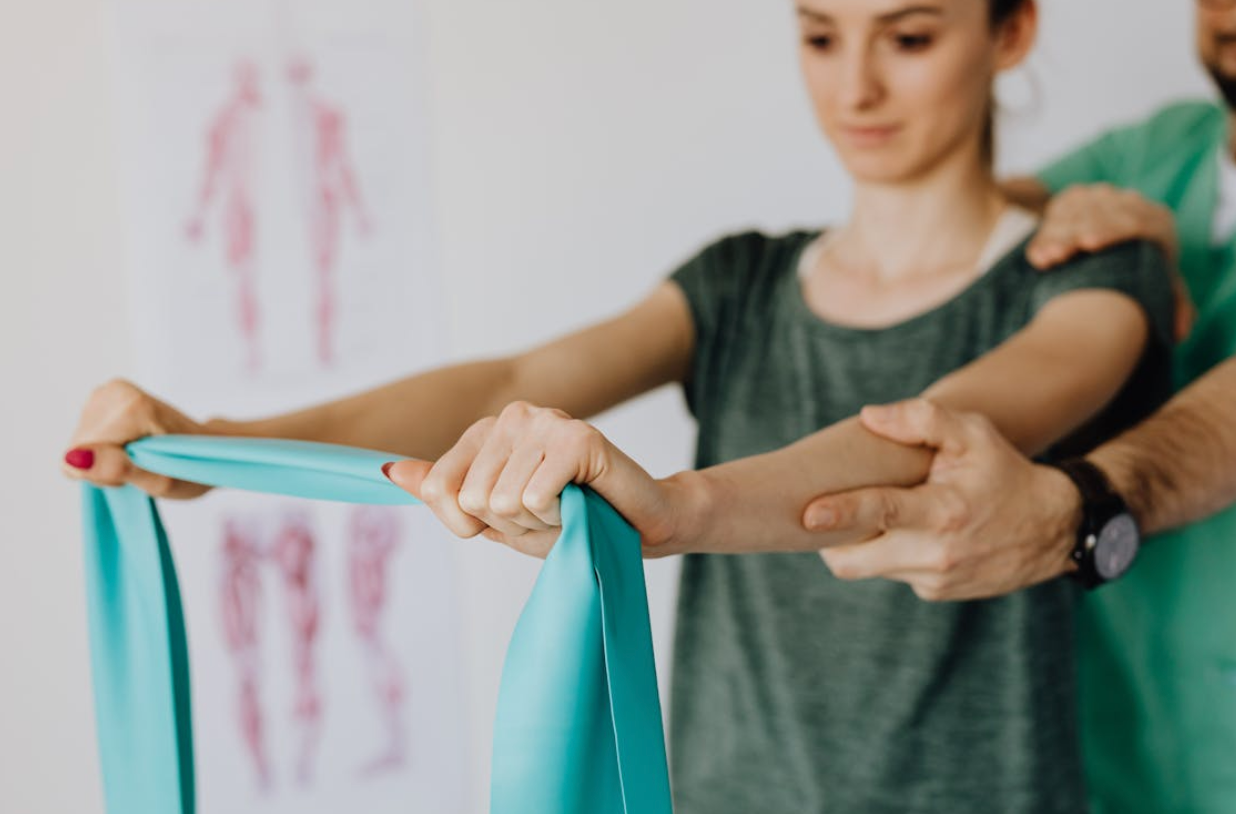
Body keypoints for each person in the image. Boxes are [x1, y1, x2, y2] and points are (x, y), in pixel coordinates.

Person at [65, 1, 1175, 811]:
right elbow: (507, 384)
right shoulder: (740, 282)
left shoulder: (1088, 274)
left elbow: (927, 439)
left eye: (910, 37)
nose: (855, 89)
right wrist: (216, 446)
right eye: (819, 35)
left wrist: (674, 510)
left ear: (1012, 32)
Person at [797, 3, 1236, 812]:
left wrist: (1076, 506)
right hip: (1118, 733)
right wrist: (1073, 214)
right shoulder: (1156, 151)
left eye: (910, 37)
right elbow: (963, 211)